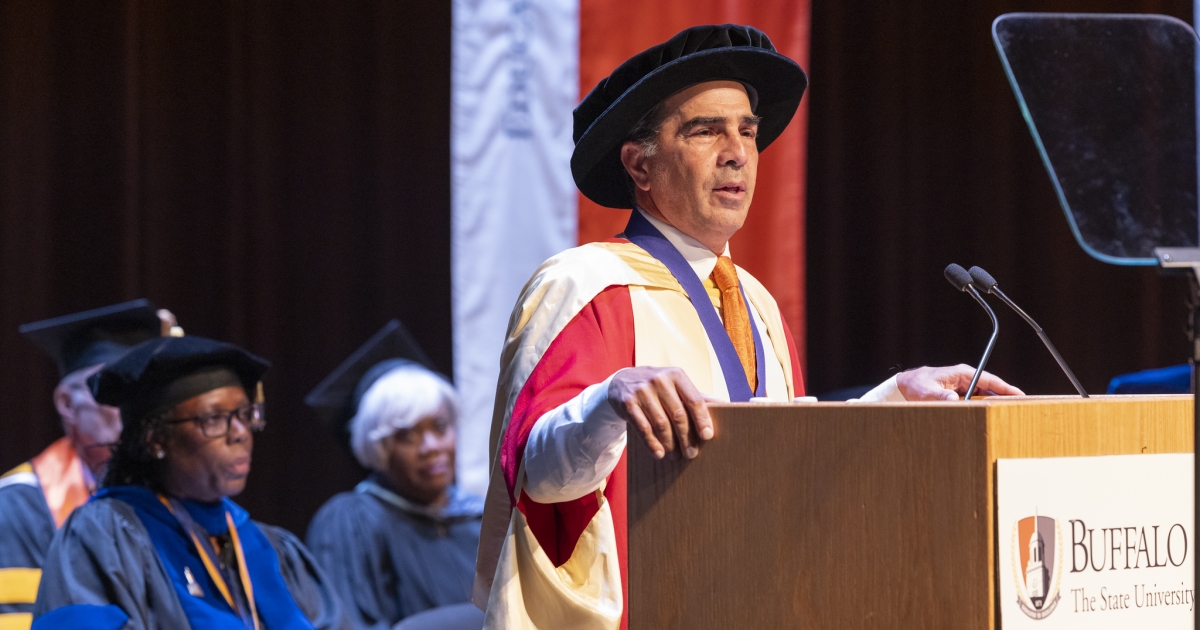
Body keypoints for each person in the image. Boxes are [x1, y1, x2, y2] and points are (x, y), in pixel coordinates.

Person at [473, 24, 1024, 628]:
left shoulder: (756, 302)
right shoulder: (585, 286)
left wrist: (896, 399)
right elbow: (536, 477)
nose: (736, 152)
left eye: (748, 131)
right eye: (705, 130)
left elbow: (781, 460)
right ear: (639, 164)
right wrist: (607, 400)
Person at [31, 335, 347, 630]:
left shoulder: (270, 548)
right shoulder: (105, 536)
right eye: (213, 419)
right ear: (155, 438)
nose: (240, 433)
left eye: (244, 414)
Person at [0, 300, 176, 630]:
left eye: (145, 389)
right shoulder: (15, 508)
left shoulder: (176, 495)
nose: (134, 406)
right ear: (67, 403)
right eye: (113, 388)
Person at [304, 320, 484, 629]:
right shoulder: (351, 522)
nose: (431, 447)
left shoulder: (479, 519)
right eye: (407, 436)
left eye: (440, 427)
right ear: (378, 449)